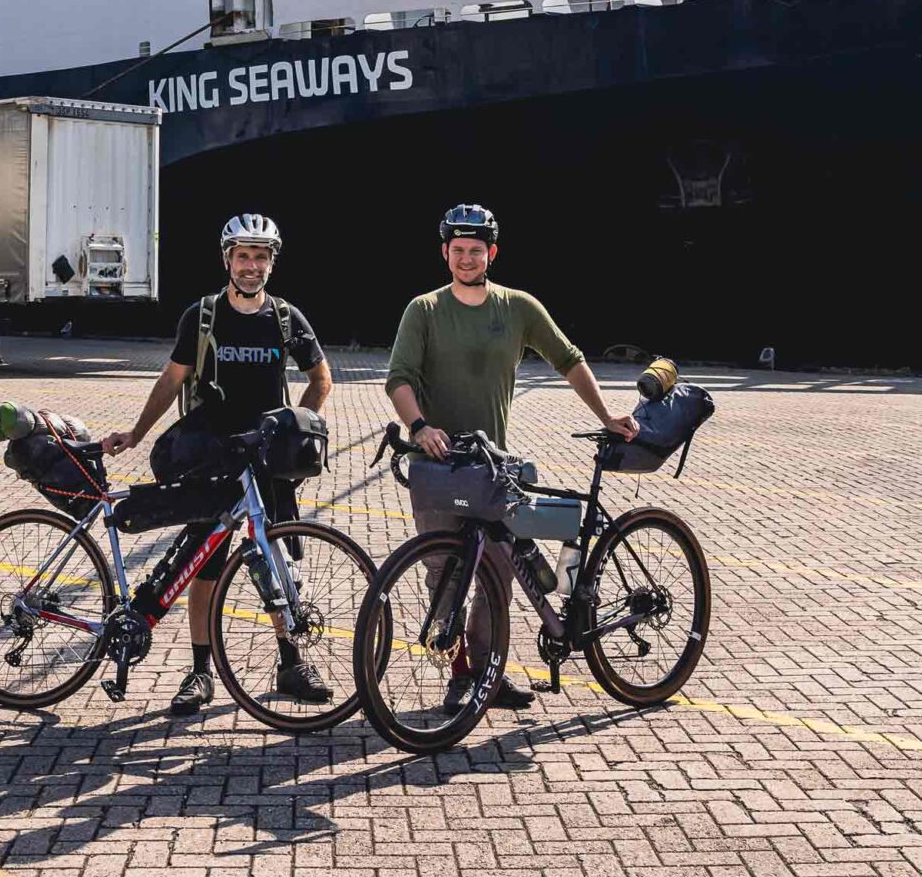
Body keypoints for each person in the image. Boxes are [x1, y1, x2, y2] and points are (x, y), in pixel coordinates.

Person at [385, 202, 639, 715]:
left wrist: (609, 412)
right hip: (436, 462)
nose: (466, 259)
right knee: (444, 572)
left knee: (499, 568)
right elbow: (399, 378)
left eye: (475, 251)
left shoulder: (517, 307)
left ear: (491, 253)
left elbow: (568, 359)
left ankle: (485, 672)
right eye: (457, 250)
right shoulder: (425, 310)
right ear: (445, 253)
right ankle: (459, 668)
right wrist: (419, 426)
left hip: (491, 463)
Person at [103, 213, 333, 716]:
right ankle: (200, 672)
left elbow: (321, 379)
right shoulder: (203, 316)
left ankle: (291, 663)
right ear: (227, 260)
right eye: (243, 256)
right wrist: (137, 434)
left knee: (277, 561)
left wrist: (298, 431)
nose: (251, 266)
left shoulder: (287, 319)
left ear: (272, 263)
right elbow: (171, 380)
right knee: (202, 563)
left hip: (268, 462)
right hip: (213, 455)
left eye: (261, 257)